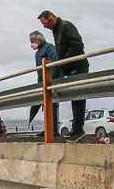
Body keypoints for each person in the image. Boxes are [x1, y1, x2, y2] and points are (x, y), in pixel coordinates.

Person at [38, 11, 89, 142]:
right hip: (70, 68)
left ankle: (79, 130)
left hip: (78, 66)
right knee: (74, 98)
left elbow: (77, 44)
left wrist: (66, 61)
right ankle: (77, 128)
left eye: (44, 23)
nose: (45, 26)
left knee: (78, 97)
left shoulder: (66, 26)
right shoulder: (56, 31)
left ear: (51, 16)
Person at [29, 31, 63, 136]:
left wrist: (51, 78)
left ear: (38, 39)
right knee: (46, 105)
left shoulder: (49, 47)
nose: (31, 43)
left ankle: (53, 130)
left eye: (32, 41)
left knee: (51, 104)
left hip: (50, 80)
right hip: (42, 81)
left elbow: (55, 61)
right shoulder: (38, 53)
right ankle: (49, 128)